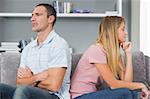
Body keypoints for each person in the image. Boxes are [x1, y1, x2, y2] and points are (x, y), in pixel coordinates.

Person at [0, 3, 71, 99]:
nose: (32, 19)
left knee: (24, 90)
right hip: (30, 92)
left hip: (54, 96)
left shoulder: (58, 45)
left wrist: (30, 79)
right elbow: (19, 83)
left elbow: (54, 86)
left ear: (50, 19)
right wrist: (37, 77)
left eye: (37, 15)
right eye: (32, 15)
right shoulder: (28, 48)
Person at [70, 16, 150, 99]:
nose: (126, 33)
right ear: (113, 31)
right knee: (125, 93)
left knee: (129, 92)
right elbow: (114, 85)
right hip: (80, 97)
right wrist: (141, 85)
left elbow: (127, 83)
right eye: (123, 29)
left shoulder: (114, 54)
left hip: (92, 95)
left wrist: (128, 54)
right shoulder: (96, 50)